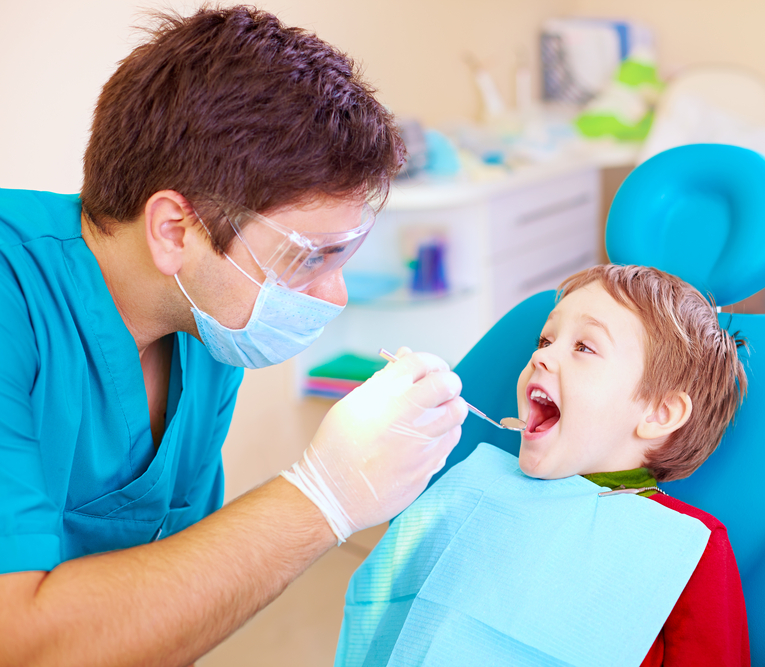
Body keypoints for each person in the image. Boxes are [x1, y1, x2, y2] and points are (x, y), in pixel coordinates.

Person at [0, 7, 466, 666]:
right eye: (310, 255)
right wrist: (322, 494)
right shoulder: (13, 300)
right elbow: (18, 639)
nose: (334, 293)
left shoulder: (205, 326)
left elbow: (173, 597)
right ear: (174, 231)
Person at [341, 264, 751, 666]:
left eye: (584, 347)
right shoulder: (477, 484)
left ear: (659, 413)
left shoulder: (684, 547)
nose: (542, 357)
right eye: (545, 340)